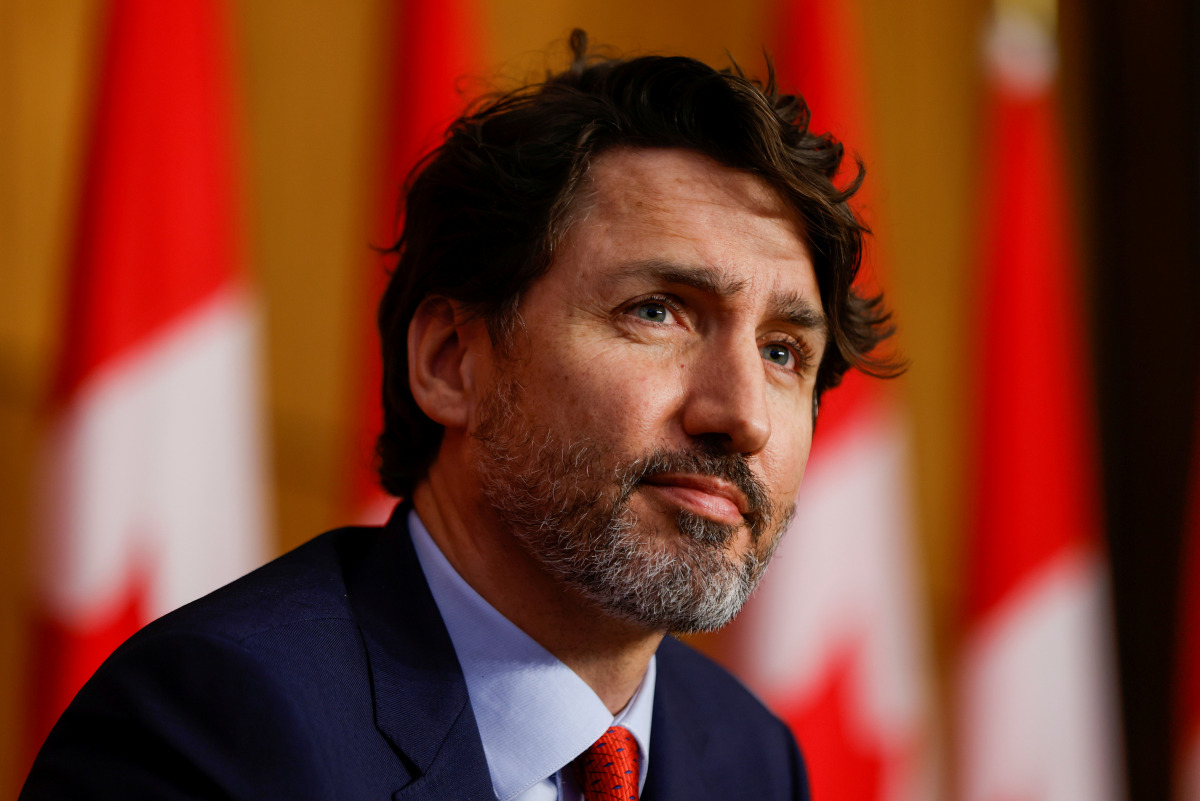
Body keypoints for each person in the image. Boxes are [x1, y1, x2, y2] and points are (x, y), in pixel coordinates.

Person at [23, 30, 897, 801]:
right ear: (450, 361)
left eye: (784, 352)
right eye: (657, 310)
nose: (740, 413)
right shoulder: (218, 728)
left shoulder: (749, 758)